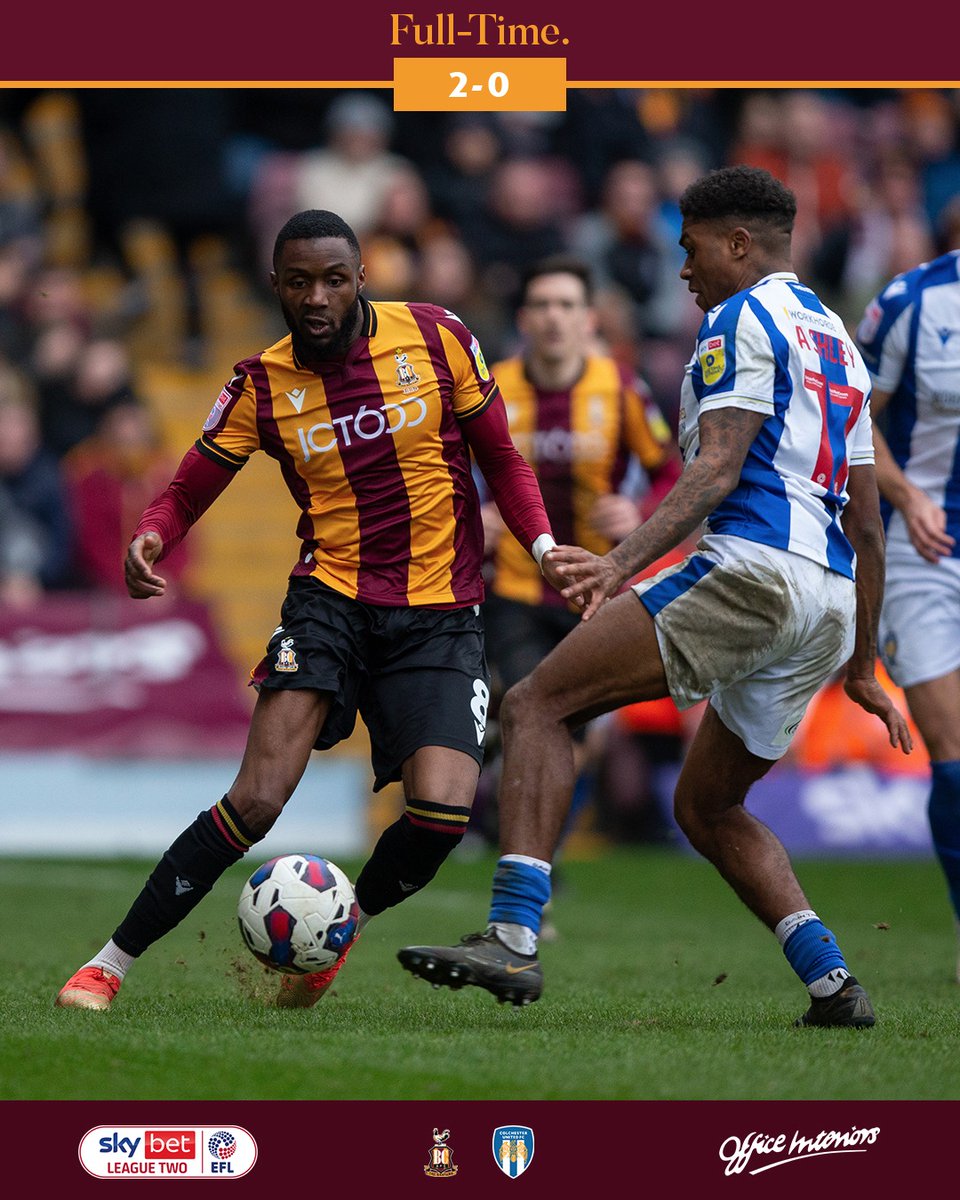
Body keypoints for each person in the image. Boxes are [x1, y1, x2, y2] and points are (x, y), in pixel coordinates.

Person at [398, 165, 913, 1028]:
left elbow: (714, 467)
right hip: (825, 602)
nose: (684, 267)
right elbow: (867, 523)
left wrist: (617, 563)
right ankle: (835, 984)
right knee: (707, 805)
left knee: (537, 705)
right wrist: (862, 663)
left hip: (752, 571)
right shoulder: (837, 342)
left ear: (739, 245)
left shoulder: (737, 318)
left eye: (693, 247)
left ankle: (514, 937)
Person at [55, 208, 560, 1012]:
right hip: (330, 603)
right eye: (299, 283)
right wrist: (152, 532)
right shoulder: (260, 383)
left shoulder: (437, 340)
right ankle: (107, 964)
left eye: (333, 279)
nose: (317, 297)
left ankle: (333, 935)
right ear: (277, 288)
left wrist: (540, 548)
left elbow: (501, 456)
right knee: (255, 799)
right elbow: (190, 485)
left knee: (439, 817)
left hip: (439, 613)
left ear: (361, 277)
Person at [475, 254, 679, 847]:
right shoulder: (493, 389)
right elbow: (442, 469)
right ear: (523, 318)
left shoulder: (619, 387)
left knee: (577, 736)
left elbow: (668, 471)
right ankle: (530, 858)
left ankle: (524, 837)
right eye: (541, 305)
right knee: (533, 711)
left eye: (566, 305)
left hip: (593, 590)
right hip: (513, 585)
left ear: (589, 319)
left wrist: (638, 511)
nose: (554, 317)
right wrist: (472, 515)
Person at [854, 245, 960, 980]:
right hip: (927, 553)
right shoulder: (911, 303)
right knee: (954, 763)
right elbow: (858, 418)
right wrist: (906, 495)